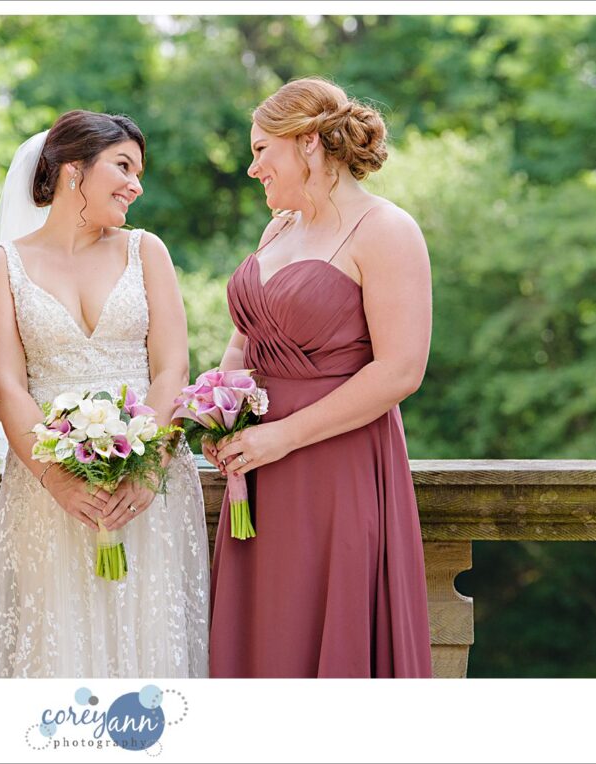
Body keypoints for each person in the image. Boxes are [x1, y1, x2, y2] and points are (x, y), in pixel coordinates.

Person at [204, 77, 434, 677]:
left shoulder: (386, 230)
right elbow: (244, 341)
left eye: (261, 150)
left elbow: (401, 369)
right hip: (255, 467)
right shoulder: (278, 228)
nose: (253, 167)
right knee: (264, 637)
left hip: (335, 466)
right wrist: (217, 407)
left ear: (307, 142)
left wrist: (280, 436)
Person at [0, 111, 209, 677]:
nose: (137, 184)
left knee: (147, 641)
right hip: (44, 486)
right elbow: (6, 385)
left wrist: (146, 469)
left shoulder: (145, 250)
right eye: (123, 166)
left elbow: (171, 366)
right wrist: (55, 478)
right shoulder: (3, 267)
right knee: (56, 647)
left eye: (139, 171)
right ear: (74, 170)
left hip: (146, 485)